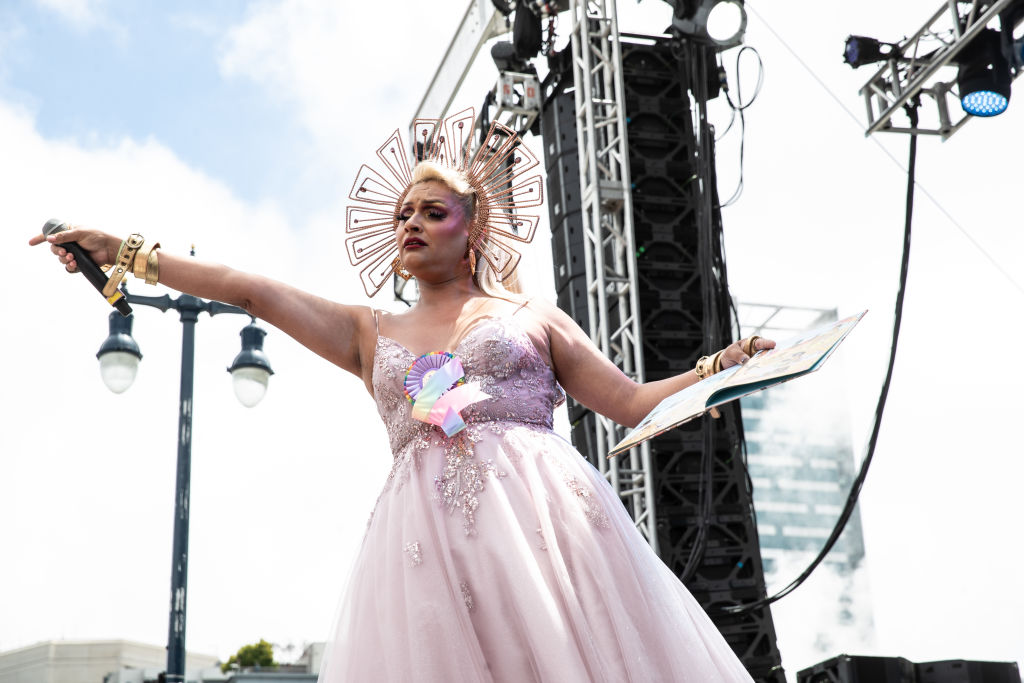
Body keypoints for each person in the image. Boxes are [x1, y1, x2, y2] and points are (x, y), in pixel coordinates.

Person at [30, 112, 773, 682]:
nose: (410, 224)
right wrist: (128, 253)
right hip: (427, 553)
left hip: (550, 536)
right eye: (402, 216)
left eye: (430, 211)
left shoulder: (534, 317)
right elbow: (252, 290)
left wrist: (721, 366)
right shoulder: (368, 329)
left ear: (474, 224)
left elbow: (633, 401)